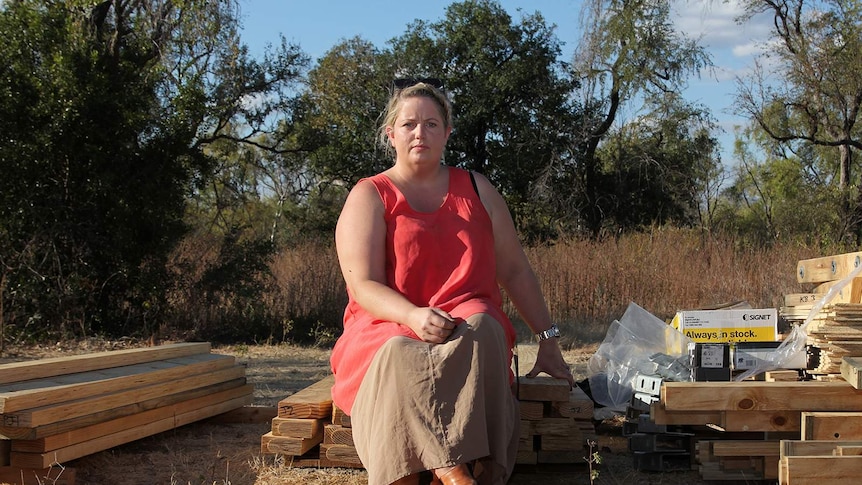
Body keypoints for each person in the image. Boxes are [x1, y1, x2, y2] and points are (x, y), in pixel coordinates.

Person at [329, 78, 574, 485]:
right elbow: (364, 286)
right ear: (391, 134)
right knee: (400, 351)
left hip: (462, 322)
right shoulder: (369, 195)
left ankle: (479, 468)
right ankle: (450, 470)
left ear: (447, 132)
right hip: (387, 322)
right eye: (408, 124)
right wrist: (412, 314)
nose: (419, 132)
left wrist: (547, 340)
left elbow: (514, 269)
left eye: (431, 123)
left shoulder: (478, 189)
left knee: (484, 328)